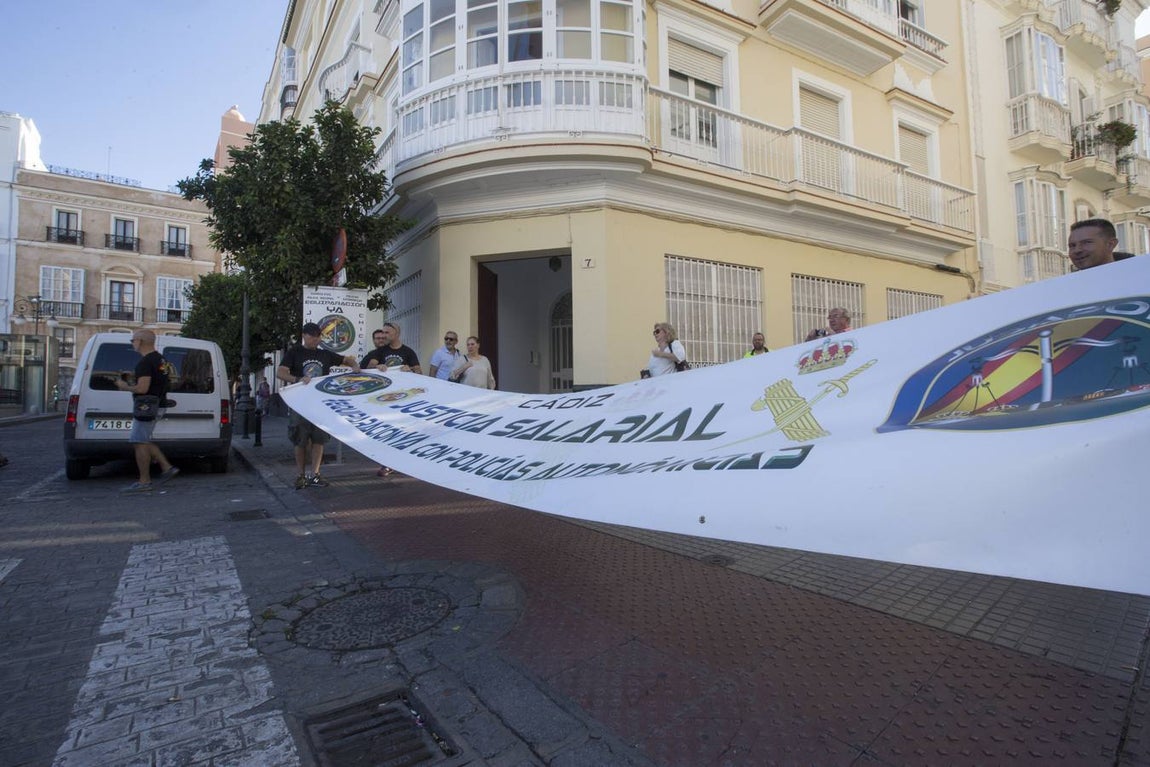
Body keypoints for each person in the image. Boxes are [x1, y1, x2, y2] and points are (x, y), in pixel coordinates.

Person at [277, 322, 360, 489]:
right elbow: (281, 372)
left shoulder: (325, 355)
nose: (315, 340)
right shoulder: (295, 352)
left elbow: (346, 359)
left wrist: (355, 365)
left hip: (319, 404)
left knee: (319, 439)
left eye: (318, 337)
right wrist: (297, 379)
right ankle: (300, 475)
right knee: (300, 440)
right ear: (304, 336)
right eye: (312, 337)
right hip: (300, 403)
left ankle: (315, 474)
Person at [115, 329, 179, 493]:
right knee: (142, 439)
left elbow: (143, 388)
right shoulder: (161, 360)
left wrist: (125, 387)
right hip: (159, 403)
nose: (132, 343)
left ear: (140, 341)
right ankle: (166, 467)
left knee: (139, 441)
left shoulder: (144, 363)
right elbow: (159, 381)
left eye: (133, 340)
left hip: (147, 406)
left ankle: (145, 481)